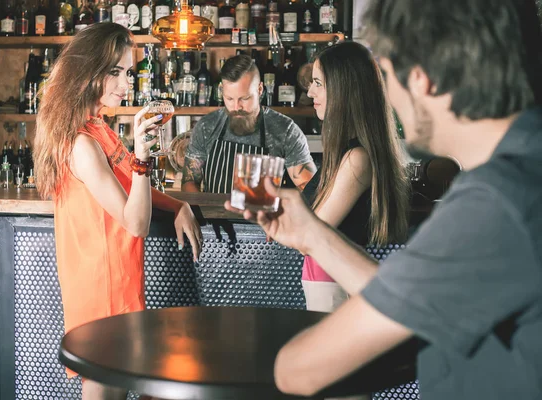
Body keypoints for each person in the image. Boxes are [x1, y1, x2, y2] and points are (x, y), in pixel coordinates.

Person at [226, 0, 542, 398]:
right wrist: (311, 235)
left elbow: (297, 370)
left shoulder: (494, 207)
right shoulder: (525, 172)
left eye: (388, 75)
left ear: (422, 78)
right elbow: (413, 304)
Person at [33, 23, 202, 400]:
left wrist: (177, 204)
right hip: (101, 291)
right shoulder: (81, 144)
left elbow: (131, 189)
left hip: (120, 283)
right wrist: (143, 157)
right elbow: (135, 221)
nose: (126, 84)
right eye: (115, 72)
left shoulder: (99, 130)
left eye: (127, 72)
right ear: (88, 71)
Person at [301, 41, 409, 312]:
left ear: (343, 91)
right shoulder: (345, 153)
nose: (310, 90)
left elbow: (310, 237)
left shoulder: (357, 159)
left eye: (318, 83)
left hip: (334, 285)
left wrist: (280, 209)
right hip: (326, 281)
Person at [182, 54, 317, 193]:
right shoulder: (206, 126)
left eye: (244, 98)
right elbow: (189, 181)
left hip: (263, 214)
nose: (236, 107)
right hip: (212, 214)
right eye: (229, 98)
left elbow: (309, 188)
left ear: (259, 89)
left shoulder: (285, 130)